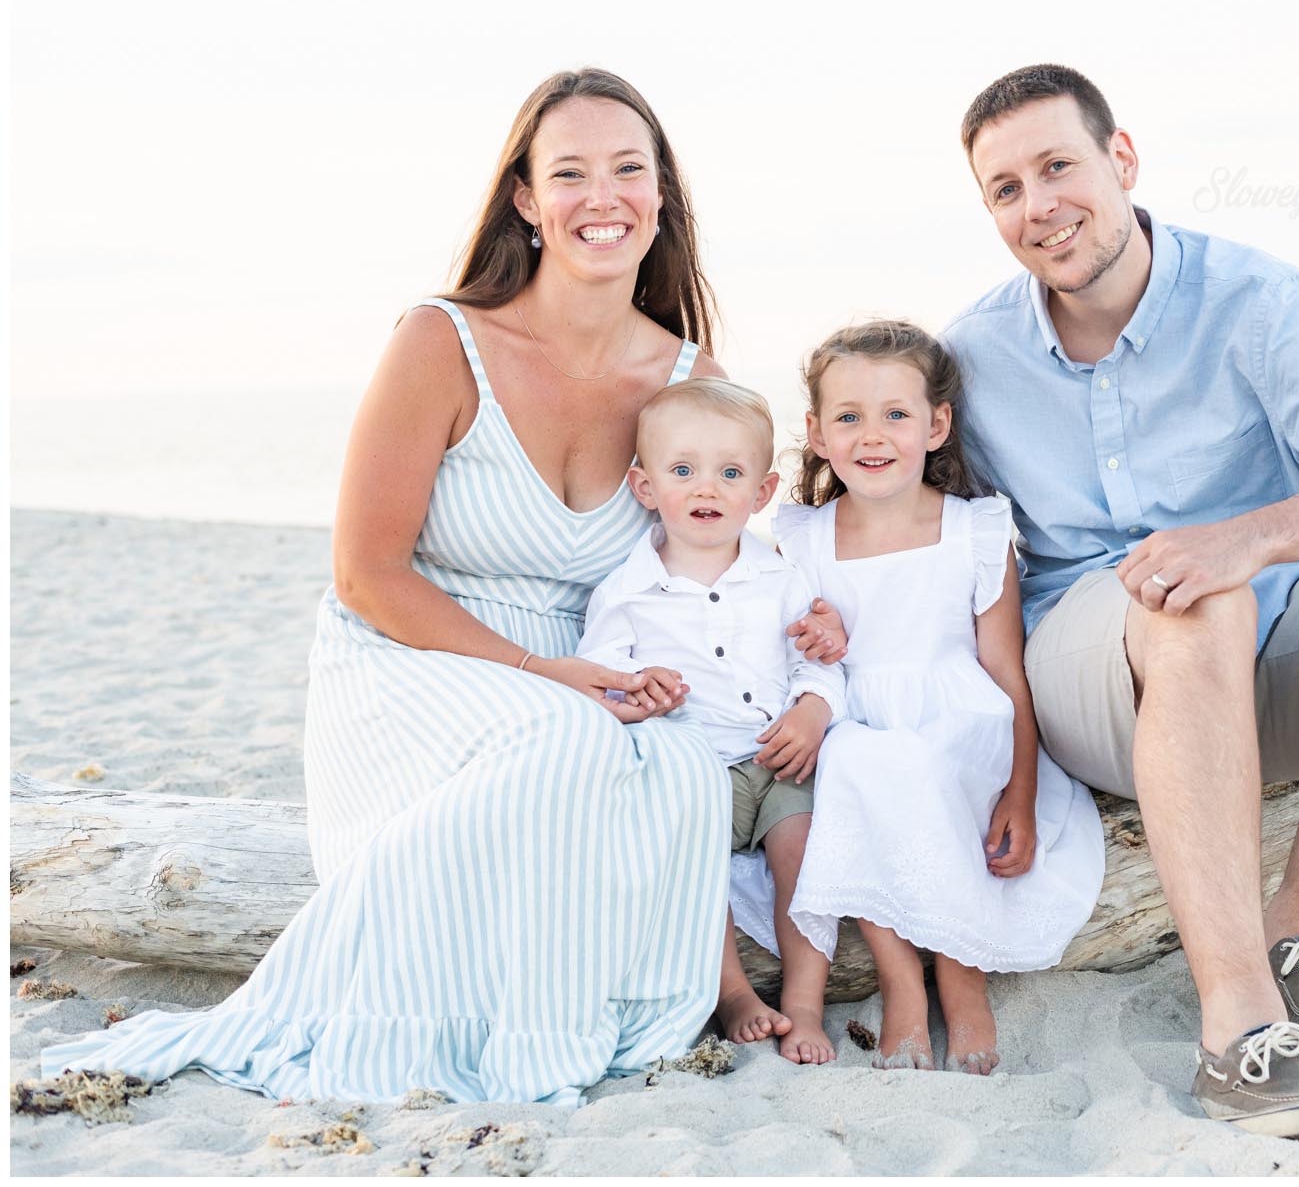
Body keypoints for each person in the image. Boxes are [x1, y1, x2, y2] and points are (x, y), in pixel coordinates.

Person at [40, 68, 821, 1105]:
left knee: (678, 765)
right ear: (528, 200)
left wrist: (815, 614)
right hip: (411, 657)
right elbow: (366, 573)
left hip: (590, 668)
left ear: (662, 194)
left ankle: (614, 1011)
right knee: (564, 737)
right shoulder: (441, 340)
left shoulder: (688, 378)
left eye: (630, 169)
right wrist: (547, 673)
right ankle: (450, 1029)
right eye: (570, 172)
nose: (604, 196)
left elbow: (724, 554)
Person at [941, 65, 1299, 1140]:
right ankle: (1237, 1033)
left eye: (1058, 166)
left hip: (1267, 652)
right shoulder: (973, 354)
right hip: (1093, 678)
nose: (1037, 204)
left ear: (1123, 160)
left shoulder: (1254, 297)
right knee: (1195, 603)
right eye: (1004, 189)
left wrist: (1249, 538)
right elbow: (913, 537)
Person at [767, 320, 1105, 1074]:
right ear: (818, 434)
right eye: (848, 417)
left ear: (937, 424)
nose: (872, 434)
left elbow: (1009, 676)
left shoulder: (974, 531)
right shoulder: (804, 541)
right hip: (858, 720)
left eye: (895, 413)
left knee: (917, 763)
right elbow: (794, 651)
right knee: (857, 761)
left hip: (965, 722)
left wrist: (1021, 790)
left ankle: (960, 973)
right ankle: (901, 983)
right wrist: (816, 644)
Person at [576, 377, 844, 1066]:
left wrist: (813, 709)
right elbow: (600, 682)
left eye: (730, 473)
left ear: (761, 493)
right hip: (696, 772)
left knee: (806, 860)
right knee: (695, 868)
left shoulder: (781, 577)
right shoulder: (628, 592)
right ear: (644, 486)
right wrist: (636, 695)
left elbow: (817, 660)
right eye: (684, 471)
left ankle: (806, 1005)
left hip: (780, 759)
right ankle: (733, 996)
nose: (707, 489)